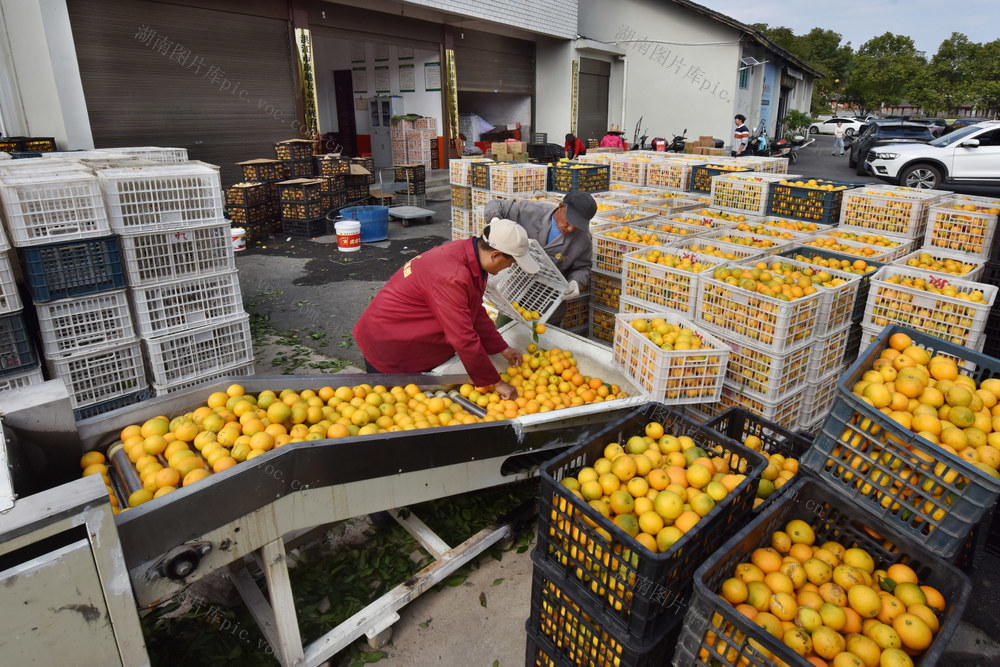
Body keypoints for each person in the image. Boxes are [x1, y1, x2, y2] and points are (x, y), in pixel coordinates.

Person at [352, 219, 538, 400]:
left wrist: (501, 347)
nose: (509, 267)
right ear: (495, 255)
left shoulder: (468, 255)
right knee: (389, 405)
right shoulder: (453, 275)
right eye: (511, 262)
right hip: (389, 343)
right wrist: (496, 383)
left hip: (401, 332)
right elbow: (463, 337)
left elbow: (473, 309)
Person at [483, 191, 597, 300]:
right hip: (514, 288)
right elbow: (495, 205)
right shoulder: (531, 211)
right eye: (569, 221)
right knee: (507, 320)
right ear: (561, 206)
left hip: (548, 298)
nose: (571, 228)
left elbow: (582, 267)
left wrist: (576, 282)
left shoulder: (583, 239)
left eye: (577, 225)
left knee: (545, 321)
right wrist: (495, 222)